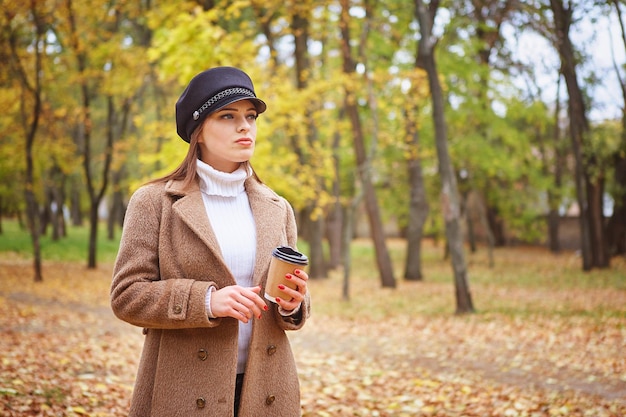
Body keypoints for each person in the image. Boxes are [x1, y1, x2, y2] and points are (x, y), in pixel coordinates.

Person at [110, 66, 310, 417]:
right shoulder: (154, 201)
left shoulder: (277, 207)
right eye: (228, 115)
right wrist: (206, 300)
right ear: (198, 131)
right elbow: (127, 295)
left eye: (250, 115)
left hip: (267, 393)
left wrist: (293, 304)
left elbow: (287, 306)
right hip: (184, 389)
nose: (245, 126)